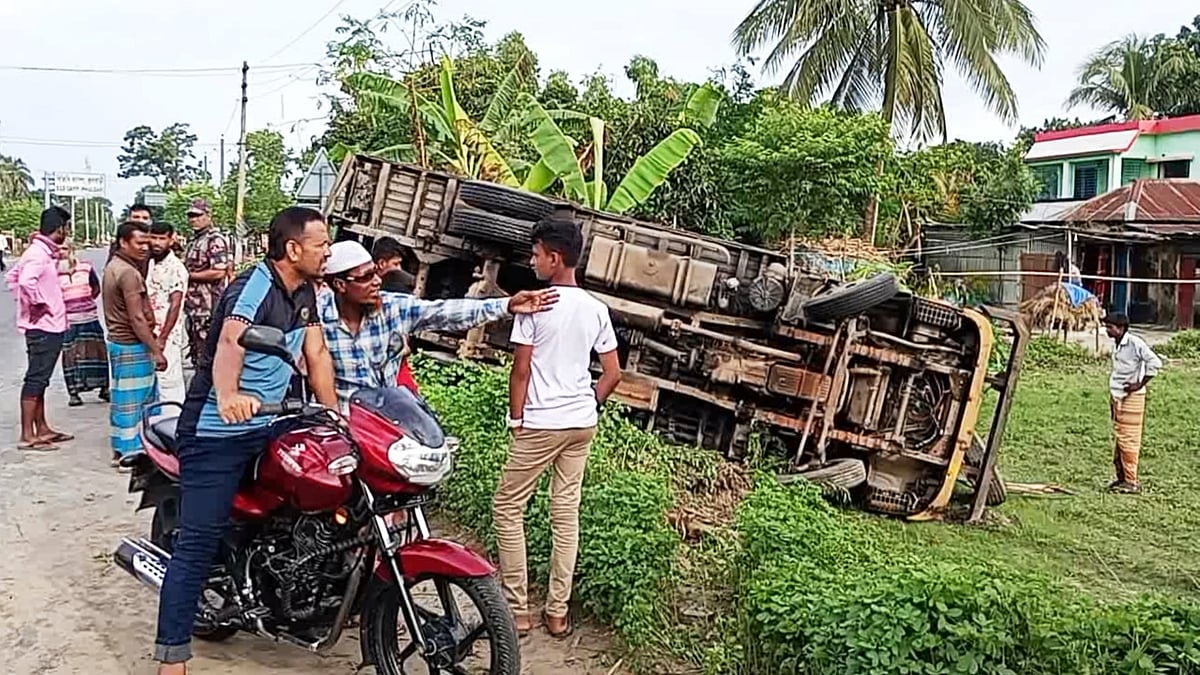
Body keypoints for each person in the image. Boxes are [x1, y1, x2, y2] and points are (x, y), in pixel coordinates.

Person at [154, 207, 338, 673]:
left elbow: (316, 352)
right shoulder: (254, 285)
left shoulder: (307, 292)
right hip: (217, 432)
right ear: (293, 249)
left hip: (270, 421)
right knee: (197, 541)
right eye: (322, 244)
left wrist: (334, 414)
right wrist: (229, 394)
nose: (328, 251)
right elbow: (230, 344)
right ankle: (172, 656)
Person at [493, 216, 622, 638]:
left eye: (536, 255)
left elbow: (521, 371)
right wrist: (589, 402)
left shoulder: (537, 303)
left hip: (541, 423)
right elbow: (612, 374)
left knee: (508, 508)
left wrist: (516, 420)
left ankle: (518, 611)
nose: (532, 262)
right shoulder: (597, 309)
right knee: (565, 514)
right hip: (581, 424)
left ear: (555, 257)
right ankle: (557, 613)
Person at [316, 240, 557, 409]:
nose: (377, 281)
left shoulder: (393, 307)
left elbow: (444, 312)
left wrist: (506, 306)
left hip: (382, 418)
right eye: (366, 277)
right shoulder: (316, 319)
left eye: (375, 274)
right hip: (337, 422)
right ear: (340, 285)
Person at [6, 206, 73, 450]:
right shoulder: (38, 254)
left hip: (47, 325)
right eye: (66, 228)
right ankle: (28, 435)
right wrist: (37, 304)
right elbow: (23, 280)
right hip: (45, 327)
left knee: (41, 379)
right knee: (36, 378)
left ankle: (41, 427)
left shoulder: (40, 252)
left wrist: (27, 304)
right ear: (60, 229)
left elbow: (12, 278)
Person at [103, 221, 165, 466]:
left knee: (123, 398)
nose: (145, 247)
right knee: (135, 401)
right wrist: (155, 349)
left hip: (119, 343)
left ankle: (121, 448)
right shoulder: (129, 273)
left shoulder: (114, 266)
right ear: (123, 242)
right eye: (139, 242)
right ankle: (131, 453)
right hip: (132, 345)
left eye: (146, 242)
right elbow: (137, 317)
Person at [1104, 313, 1163, 494]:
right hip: (1118, 395)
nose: (1107, 330)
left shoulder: (1135, 343)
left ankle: (1131, 481)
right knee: (1120, 437)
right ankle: (1122, 477)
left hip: (1132, 397)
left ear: (1121, 329)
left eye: (1110, 327)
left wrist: (1139, 384)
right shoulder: (1118, 344)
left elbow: (1155, 363)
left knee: (1129, 439)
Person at [57, 240, 110, 406]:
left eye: (64, 248)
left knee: (97, 352)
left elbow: (96, 288)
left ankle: (104, 388)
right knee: (70, 355)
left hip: (89, 317)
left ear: (72, 250)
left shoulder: (85, 268)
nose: (61, 252)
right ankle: (74, 392)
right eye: (58, 249)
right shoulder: (52, 271)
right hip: (67, 321)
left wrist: (84, 303)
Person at [182, 198, 229, 371]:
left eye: (197, 215)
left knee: (210, 356)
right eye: (190, 216)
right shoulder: (195, 241)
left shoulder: (214, 240)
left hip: (208, 308)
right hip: (194, 308)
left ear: (208, 216)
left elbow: (218, 272)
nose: (193, 219)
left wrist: (188, 276)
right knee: (197, 353)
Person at [147, 222, 189, 402]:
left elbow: (176, 304)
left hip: (167, 335)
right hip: (148, 333)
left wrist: (163, 338)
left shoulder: (176, 268)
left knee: (169, 383)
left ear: (171, 240)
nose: (157, 243)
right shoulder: (149, 263)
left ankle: (172, 424)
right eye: (153, 238)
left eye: (162, 238)